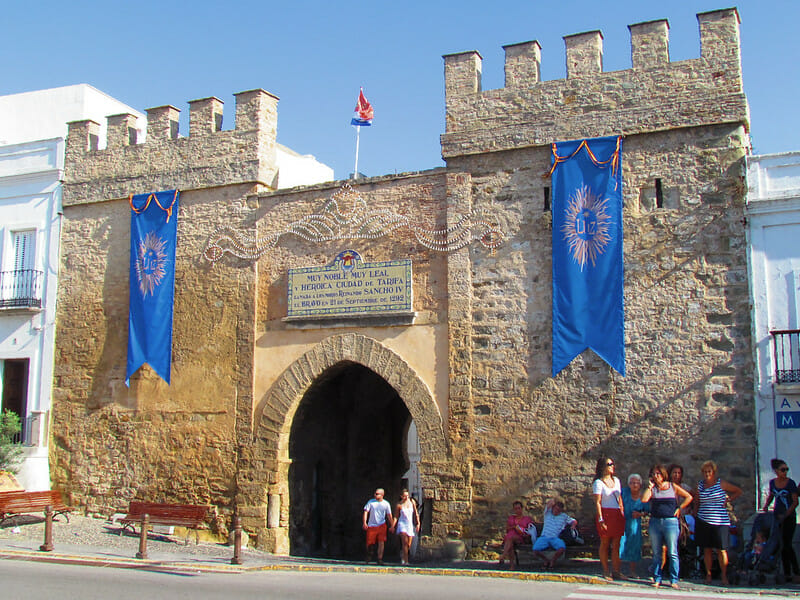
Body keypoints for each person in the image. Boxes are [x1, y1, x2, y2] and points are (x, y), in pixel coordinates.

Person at [642, 464, 693, 589]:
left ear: (663, 474)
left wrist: (680, 508)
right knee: (657, 552)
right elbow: (644, 499)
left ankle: (673, 579)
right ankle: (657, 578)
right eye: (653, 474)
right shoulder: (653, 489)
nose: (656, 476)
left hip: (670, 522)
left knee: (672, 552)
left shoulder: (672, 486)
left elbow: (689, 497)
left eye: (658, 474)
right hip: (655, 522)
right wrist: (650, 487)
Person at [693, 460, 742, 585]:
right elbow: (697, 501)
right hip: (704, 519)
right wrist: (695, 514)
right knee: (707, 549)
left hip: (720, 521)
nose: (706, 474)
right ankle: (708, 575)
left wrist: (728, 500)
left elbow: (737, 491)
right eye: (704, 472)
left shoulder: (721, 484)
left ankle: (724, 575)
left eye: (709, 471)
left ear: (714, 472)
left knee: (721, 549)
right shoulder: (700, 485)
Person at [762, 458, 800, 582]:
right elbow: (772, 495)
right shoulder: (773, 483)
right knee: (780, 544)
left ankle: (796, 571)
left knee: (787, 544)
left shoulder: (790, 483)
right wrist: (766, 505)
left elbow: (795, 502)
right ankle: (787, 572)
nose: (785, 472)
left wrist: (786, 514)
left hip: (789, 517)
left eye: (786, 470)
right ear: (776, 471)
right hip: (777, 515)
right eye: (783, 470)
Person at [593, 456, 625, 581]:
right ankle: (606, 570)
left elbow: (620, 497)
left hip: (616, 514)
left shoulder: (616, 481)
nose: (612, 466)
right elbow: (597, 502)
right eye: (609, 464)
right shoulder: (598, 483)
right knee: (605, 543)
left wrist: (622, 511)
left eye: (612, 463)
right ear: (602, 467)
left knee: (617, 544)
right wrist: (601, 519)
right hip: (605, 514)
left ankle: (616, 570)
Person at [531, 498, 578, 568]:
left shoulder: (564, 516)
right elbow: (550, 502)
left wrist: (573, 525)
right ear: (553, 508)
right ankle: (546, 560)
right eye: (555, 509)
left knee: (562, 548)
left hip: (555, 538)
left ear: (561, 511)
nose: (556, 511)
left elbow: (574, 521)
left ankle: (553, 561)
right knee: (535, 550)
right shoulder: (547, 513)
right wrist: (556, 500)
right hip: (544, 537)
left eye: (558, 510)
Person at [619, 473, 649, 578]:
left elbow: (647, 510)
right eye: (632, 483)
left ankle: (632, 571)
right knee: (620, 546)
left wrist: (640, 514)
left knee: (634, 547)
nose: (634, 485)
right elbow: (618, 501)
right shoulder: (624, 493)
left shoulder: (643, 496)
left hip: (635, 525)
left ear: (640, 484)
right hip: (622, 523)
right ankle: (617, 571)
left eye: (636, 483)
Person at [363, 488, 395, 564]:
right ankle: (369, 555)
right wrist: (364, 522)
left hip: (382, 525)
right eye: (375, 493)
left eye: (377, 494)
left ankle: (379, 558)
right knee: (370, 543)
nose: (375, 495)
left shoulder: (386, 504)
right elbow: (366, 512)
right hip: (372, 525)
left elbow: (389, 515)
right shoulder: (371, 502)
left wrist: (392, 525)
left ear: (382, 495)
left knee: (381, 542)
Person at [499, 500, 534, 569]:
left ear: (522, 509)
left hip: (520, 537)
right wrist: (514, 527)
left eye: (519, 508)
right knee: (510, 544)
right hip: (510, 536)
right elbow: (507, 528)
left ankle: (503, 556)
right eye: (515, 509)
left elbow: (530, 530)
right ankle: (511, 566)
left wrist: (521, 531)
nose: (517, 510)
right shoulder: (511, 518)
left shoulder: (527, 519)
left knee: (511, 539)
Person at [394, 489, 420, 565]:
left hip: (409, 525)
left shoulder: (412, 502)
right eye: (404, 496)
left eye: (407, 496)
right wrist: (393, 525)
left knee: (408, 545)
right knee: (405, 543)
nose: (406, 497)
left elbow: (416, 513)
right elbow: (396, 516)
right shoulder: (399, 505)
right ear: (401, 496)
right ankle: (406, 561)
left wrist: (418, 523)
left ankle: (403, 555)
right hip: (402, 524)